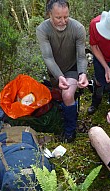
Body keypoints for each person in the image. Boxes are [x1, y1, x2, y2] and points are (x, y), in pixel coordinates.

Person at [36, 0, 88, 142]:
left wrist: (83, 73)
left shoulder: (78, 28)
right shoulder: (42, 29)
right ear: (49, 14)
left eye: (66, 17)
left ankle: (70, 130)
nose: (63, 21)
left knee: (67, 95)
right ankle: (66, 113)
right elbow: (48, 57)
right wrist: (59, 76)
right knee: (56, 95)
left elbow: (81, 56)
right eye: (58, 17)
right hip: (54, 70)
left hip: (72, 68)